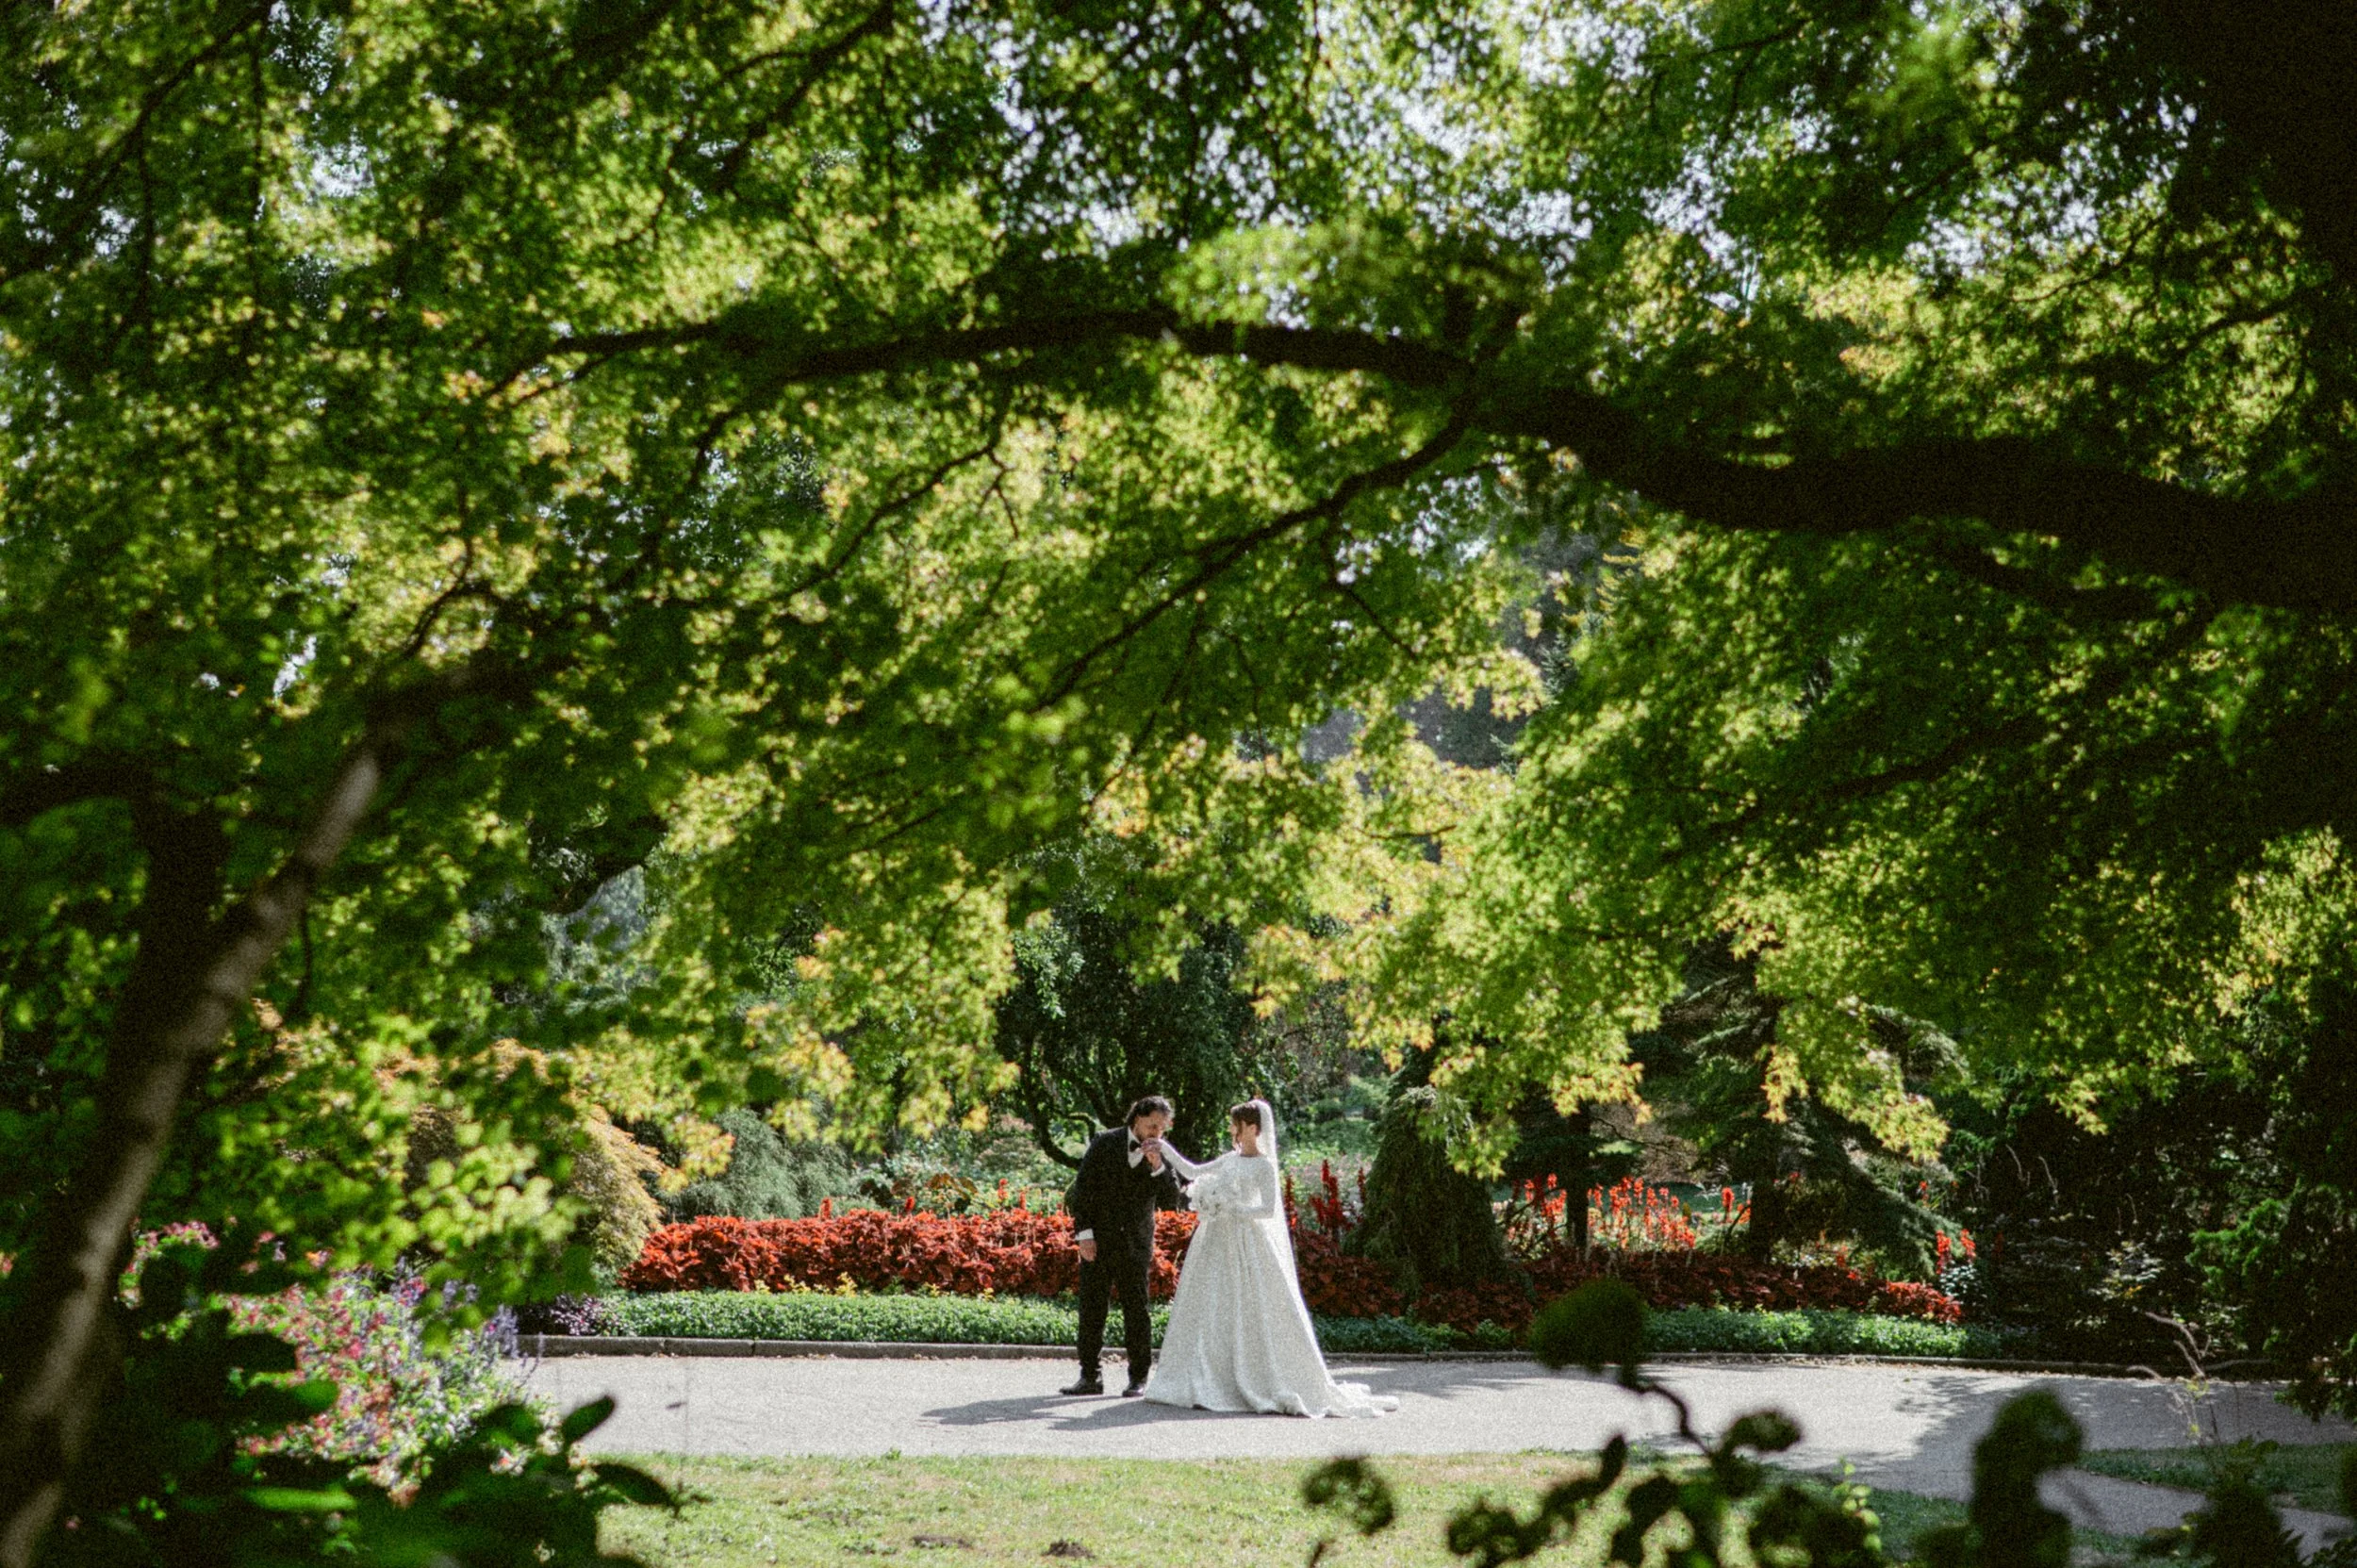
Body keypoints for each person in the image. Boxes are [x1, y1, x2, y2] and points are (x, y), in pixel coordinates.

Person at [1142, 1099, 1397, 1418]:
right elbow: (1193, 1171)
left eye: (1237, 1124)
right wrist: (1164, 1148)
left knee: (1250, 1306)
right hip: (1216, 1241)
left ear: (1253, 1128)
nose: (1233, 1129)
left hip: (1248, 1242)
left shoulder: (1263, 1166)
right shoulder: (1231, 1159)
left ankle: (1251, 1376)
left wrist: (1232, 1208)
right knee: (1211, 1303)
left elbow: (1267, 1210)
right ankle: (1203, 1375)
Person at [1061, 1094, 1184, 1397]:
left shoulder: (1162, 1152)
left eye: (1162, 1128)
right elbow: (1083, 1191)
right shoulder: (1104, 1142)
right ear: (1136, 1119)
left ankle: (1138, 1378)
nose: (1157, 1133)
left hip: (1135, 1242)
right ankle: (1090, 1376)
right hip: (1098, 1240)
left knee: (1137, 1310)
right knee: (1091, 1309)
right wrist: (1085, 1235)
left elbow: (1173, 1200)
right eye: (1152, 1125)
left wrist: (1158, 1167)